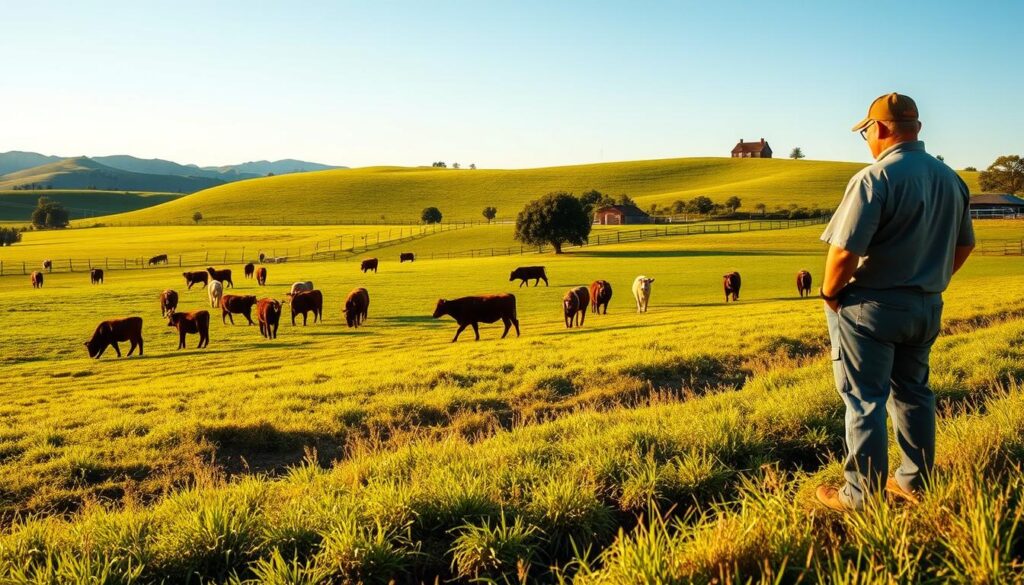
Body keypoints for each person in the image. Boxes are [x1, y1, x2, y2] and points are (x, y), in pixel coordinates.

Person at [816, 93, 975, 512]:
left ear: (881, 129)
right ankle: (915, 481)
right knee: (914, 392)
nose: (866, 139)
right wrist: (929, 279)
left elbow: (844, 252)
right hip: (925, 305)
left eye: (866, 131)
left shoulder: (873, 178)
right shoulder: (950, 178)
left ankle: (860, 496)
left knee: (864, 399)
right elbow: (965, 245)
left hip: (871, 308)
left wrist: (830, 293)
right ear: (917, 129)